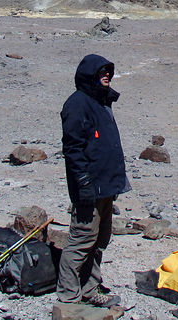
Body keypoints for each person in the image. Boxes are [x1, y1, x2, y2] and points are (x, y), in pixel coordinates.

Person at [57, 54, 129, 307]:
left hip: (106, 185)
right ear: (90, 75)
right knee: (81, 239)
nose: (107, 76)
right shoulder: (78, 104)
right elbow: (73, 149)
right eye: (102, 73)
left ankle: (89, 289)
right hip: (90, 186)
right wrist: (83, 183)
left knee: (99, 240)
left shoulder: (101, 101)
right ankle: (68, 296)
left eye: (109, 72)